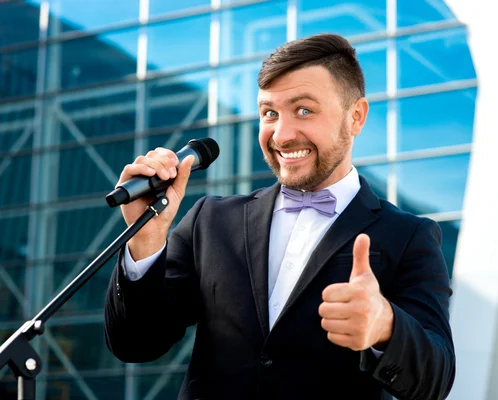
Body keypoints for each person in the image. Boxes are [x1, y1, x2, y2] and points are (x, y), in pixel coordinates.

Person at [104, 33, 455, 400]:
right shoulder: (211, 221)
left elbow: (436, 379)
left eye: (304, 110)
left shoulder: (409, 236)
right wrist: (145, 238)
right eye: (270, 113)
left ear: (356, 117)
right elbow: (135, 344)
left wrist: (386, 326)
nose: (282, 135)